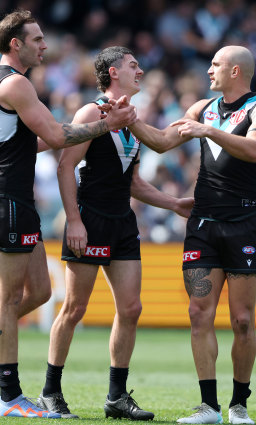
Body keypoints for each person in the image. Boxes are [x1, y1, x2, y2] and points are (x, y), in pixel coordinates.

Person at [113, 45, 256, 424]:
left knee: (242, 320)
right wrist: (129, 119)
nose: (208, 70)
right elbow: (162, 141)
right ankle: (210, 407)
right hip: (202, 224)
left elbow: (254, 150)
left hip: (244, 224)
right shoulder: (202, 108)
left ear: (236, 71)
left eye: (216, 64)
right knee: (198, 313)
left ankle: (239, 405)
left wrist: (208, 132)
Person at [36, 45, 194, 420]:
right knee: (74, 309)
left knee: (131, 308)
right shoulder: (93, 111)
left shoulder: (132, 118)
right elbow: (65, 167)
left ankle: (116, 397)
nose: (140, 70)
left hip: (122, 221)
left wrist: (173, 204)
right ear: (113, 73)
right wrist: (73, 220)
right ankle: (49, 392)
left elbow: (133, 181)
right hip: (89, 220)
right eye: (133, 65)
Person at [0, 10, 136, 419]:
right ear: (15, 44)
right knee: (8, 299)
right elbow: (57, 138)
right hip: (9, 199)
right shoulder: (16, 83)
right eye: (37, 39)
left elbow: (34, 143)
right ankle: (9, 395)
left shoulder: (16, 84)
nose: (46, 45)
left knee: (39, 293)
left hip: (21, 201)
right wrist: (104, 125)